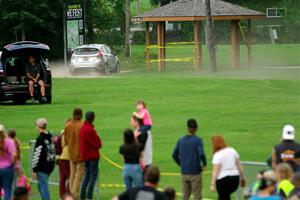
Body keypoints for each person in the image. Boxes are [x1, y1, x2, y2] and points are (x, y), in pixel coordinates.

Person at [172, 119, 207, 200]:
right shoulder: (198, 140)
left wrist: (181, 164)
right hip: (195, 172)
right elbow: (201, 154)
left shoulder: (181, 140)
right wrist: (204, 164)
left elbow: (174, 155)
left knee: (185, 196)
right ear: (196, 128)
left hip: (184, 172)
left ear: (187, 128)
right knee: (197, 195)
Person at [210, 135, 246, 200]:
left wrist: (213, 184)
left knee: (223, 196)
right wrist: (243, 178)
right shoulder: (232, 150)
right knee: (226, 196)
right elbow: (239, 166)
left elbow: (215, 171)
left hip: (223, 180)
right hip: (235, 179)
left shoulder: (217, 155)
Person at [80, 111, 102, 200]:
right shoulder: (90, 129)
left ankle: (82, 196)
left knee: (86, 177)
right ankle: (89, 197)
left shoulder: (83, 128)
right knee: (92, 178)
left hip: (86, 157)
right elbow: (98, 144)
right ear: (93, 118)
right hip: (92, 157)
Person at [32, 118, 55, 200]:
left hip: (42, 167)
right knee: (40, 186)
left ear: (38, 126)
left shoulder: (40, 138)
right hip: (50, 165)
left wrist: (34, 169)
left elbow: (37, 154)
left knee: (44, 188)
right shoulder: (50, 136)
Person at [64, 108, 84, 199]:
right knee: (79, 175)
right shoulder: (82, 125)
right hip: (80, 154)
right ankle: (74, 194)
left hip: (71, 153)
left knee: (72, 174)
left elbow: (66, 140)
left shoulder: (67, 126)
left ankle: (71, 194)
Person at [0, 124, 17, 200]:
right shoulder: (8, 141)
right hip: (7, 168)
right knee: (7, 190)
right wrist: (13, 163)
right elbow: (14, 154)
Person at [57, 119, 71, 198]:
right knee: (70, 178)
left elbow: (58, 148)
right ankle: (68, 196)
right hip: (67, 158)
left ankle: (62, 196)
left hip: (60, 158)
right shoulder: (67, 135)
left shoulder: (61, 135)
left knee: (62, 179)